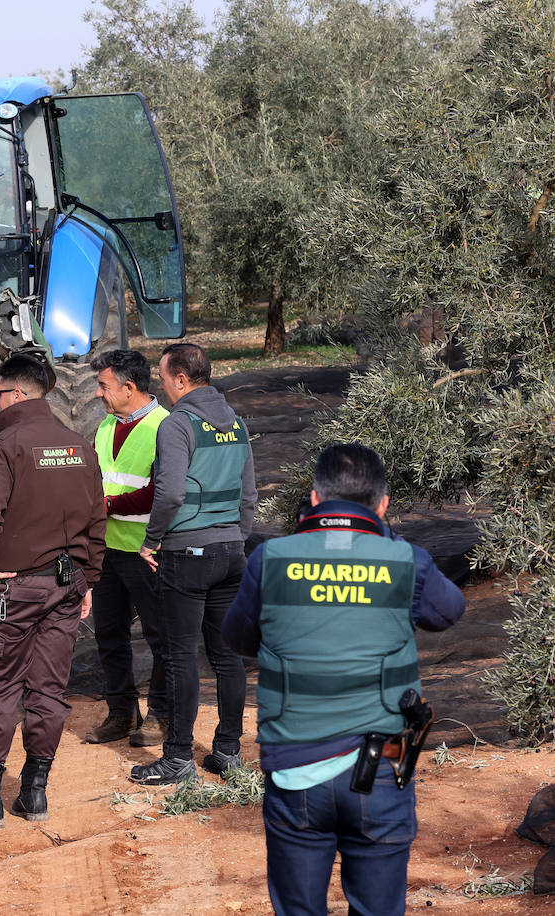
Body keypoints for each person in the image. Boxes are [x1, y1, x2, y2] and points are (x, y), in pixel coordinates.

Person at [224, 443, 464, 915]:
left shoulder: (270, 558)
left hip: (295, 773)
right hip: (381, 768)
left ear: (314, 499)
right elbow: (448, 611)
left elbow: (239, 638)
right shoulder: (405, 561)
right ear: (382, 504)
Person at [0, 355, 105, 829]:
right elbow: (96, 519)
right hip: (66, 588)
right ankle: (35, 793)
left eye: (0, 394)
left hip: (15, 590)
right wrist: (87, 577)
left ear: (19, 395)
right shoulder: (78, 446)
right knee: (49, 689)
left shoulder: (2, 447)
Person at [132, 342, 256, 785]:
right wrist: (235, 540)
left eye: (163, 379)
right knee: (228, 658)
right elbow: (249, 495)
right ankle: (227, 751)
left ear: (182, 380)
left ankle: (178, 757)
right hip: (230, 554)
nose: (161, 388)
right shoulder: (236, 423)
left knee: (181, 655)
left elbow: (169, 494)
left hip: (187, 553)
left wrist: (152, 541)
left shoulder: (177, 425)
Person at [84, 349, 170, 748]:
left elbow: (163, 492)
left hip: (147, 551)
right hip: (107, 551)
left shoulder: (164, 427)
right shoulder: (105, 426)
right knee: (109, 634)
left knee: (160, 635)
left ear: (128, 387)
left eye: (103, 386)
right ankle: (122, 713)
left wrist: (108, 506)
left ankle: (162, 716)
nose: (98, 393)